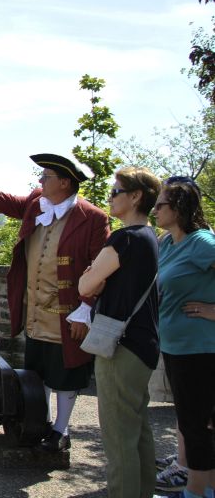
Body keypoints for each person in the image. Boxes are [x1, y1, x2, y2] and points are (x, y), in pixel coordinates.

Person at [0, 152, 110, 452]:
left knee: (66, 371)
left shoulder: (93, 218)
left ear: (65, 182)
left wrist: (86, 307)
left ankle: (61, 431)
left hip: (68, 309)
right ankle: (44, 422)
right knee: (40, 370)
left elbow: (100, 265)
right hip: (36, 307)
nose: (40, 180)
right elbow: (4, 201)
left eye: (47, 176)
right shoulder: (38, 202)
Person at [78, 167, 162, 498]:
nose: (110, 198)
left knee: (118, 438)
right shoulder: (150, 237)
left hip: (120, 347)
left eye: (115, 192)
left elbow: (85, 285)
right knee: (138, 431)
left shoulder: (125, 238)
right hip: (144, 344)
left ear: (136, 196)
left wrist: (93, 275)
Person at [153, 176, 215, 498]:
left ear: (179, 207)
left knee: (196, 427)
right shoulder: (166, 243)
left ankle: (193, 492)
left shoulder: (202, 243)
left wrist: (212, 310)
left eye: (161, 204)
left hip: (201, 349)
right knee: (195, 422)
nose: (155, 210)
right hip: (175, 347)